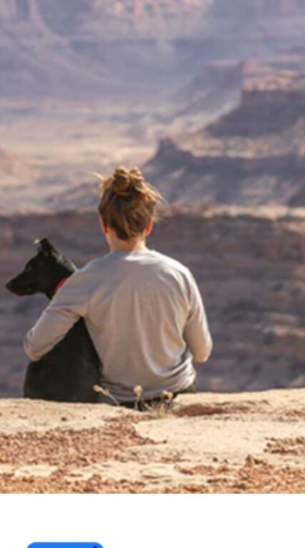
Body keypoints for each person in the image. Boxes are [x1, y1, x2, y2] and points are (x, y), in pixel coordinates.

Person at [23, 166, 212, 407]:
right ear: (149, 225)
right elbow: (202, 352)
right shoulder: (179, 274)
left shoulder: (85, 280)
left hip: (119, 402)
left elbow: (34, 347)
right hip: (178, 394)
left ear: (103, 224)